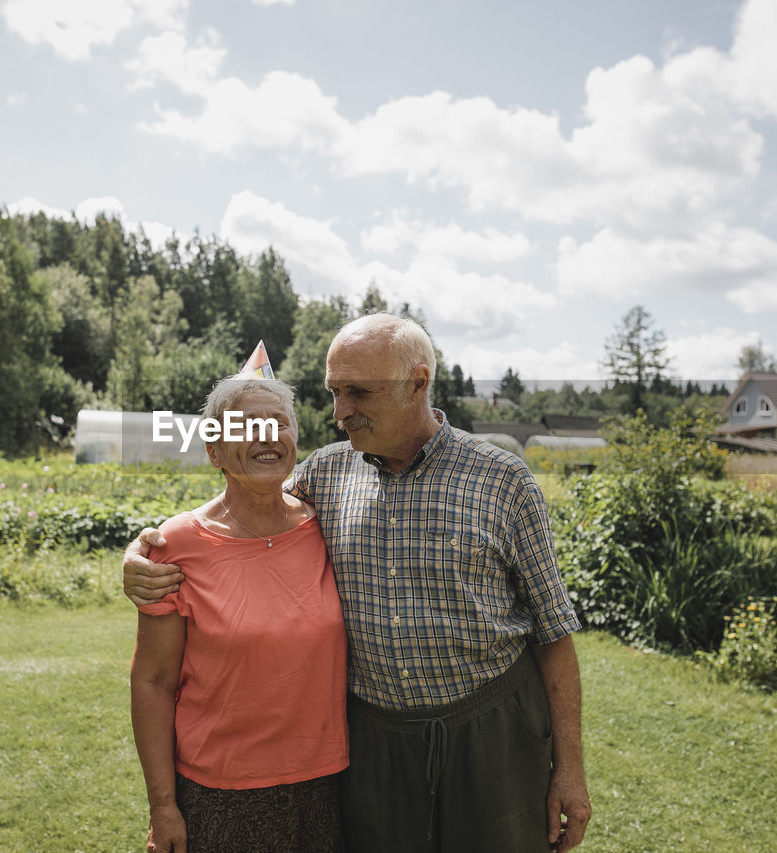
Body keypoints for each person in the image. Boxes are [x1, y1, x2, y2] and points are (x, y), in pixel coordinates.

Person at [127, 314, 592, 853]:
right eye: (333, 392)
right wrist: (138, 552)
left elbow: (554, 633)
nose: (340, 412)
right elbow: (244, 502)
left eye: (358, 392)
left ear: (417, 384)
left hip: (491, 730)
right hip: (373, 743)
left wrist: (571, 770)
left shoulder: (503, 480)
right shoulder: (324, 475)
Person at [129, 377, 348, 853]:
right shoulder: (176, 545)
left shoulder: (327, 522)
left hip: (328, 784)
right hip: (219, 791)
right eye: (246, 426)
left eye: (279, 424)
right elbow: (153, 681)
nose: (267, 437)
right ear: (214, 451)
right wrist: (163, 806)